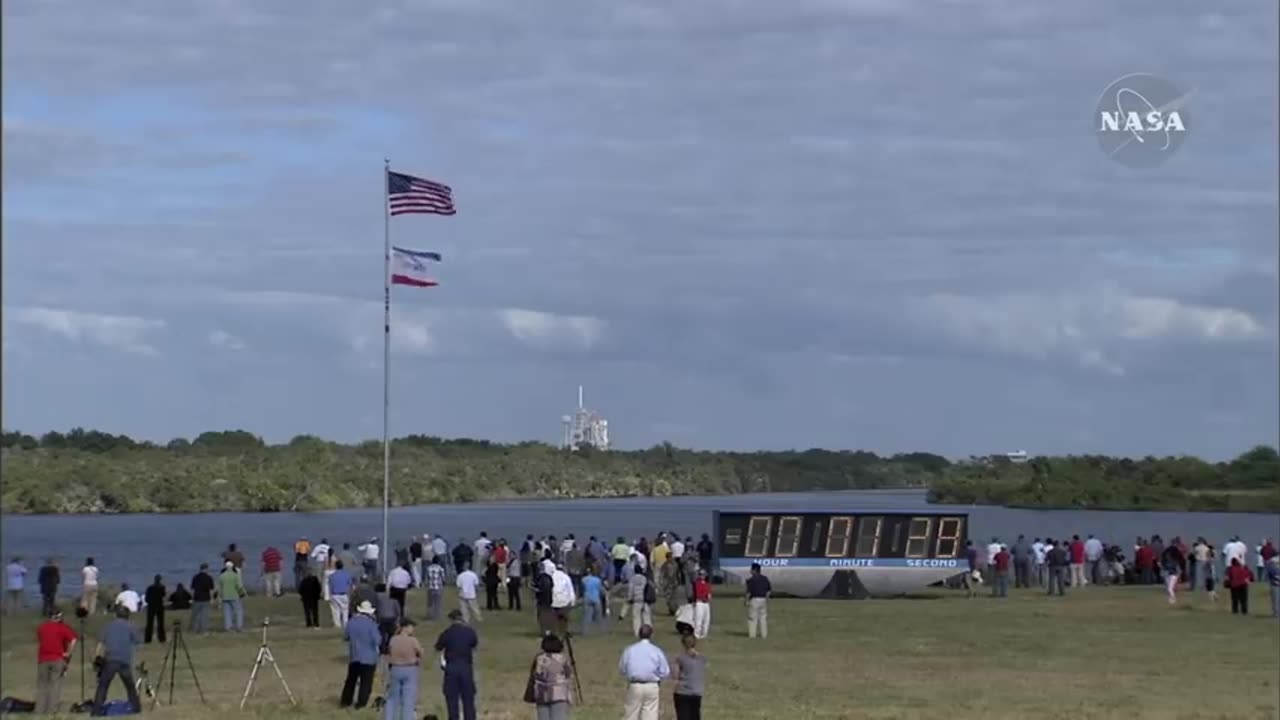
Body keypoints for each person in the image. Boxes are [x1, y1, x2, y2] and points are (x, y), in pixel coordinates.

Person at [91, 606, 142, 716]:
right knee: (130, 686)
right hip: (124, 660)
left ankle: (96, 710)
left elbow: (100, 643)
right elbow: (137, 641)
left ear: (116, 614)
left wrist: (96, 657)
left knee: (103, 685)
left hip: (110, 659)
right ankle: (136, 707)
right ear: (127, 615)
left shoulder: (108, 626)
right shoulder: (130, 626)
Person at [618, 624, 669, 720]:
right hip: (652, 685)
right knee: (650, 714)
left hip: (635, 685)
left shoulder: (630, 650)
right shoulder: (656, 651)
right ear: (651, 635)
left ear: (639, 634)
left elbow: (622, 669)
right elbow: (665, 671)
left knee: (631, 713)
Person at [435, 608, 479, 720]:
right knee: (468, 698)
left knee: (452, 699)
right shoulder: (469, 631)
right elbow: (474, 644)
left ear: (451, 619)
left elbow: (438, 647)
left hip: (451, 667)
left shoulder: (447, 633)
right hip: (466, 667)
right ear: (461, 618)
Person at [35, 606, 77, 714]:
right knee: (55, 685)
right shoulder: (62, 627)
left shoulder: (42, 628)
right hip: (57, 659)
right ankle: (51, 710)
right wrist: (68, 653)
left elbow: (41, 639)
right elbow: (73, 639)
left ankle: (39, 709)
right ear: (58, 617)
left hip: (43, 659)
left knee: (42, 685)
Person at [340, 600, 381, 709]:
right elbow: (378, 640)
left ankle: (346, 701)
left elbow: (345, 637)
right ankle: (361, 703)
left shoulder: (351, 622)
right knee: (366, 682)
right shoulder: (372, 624)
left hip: (355, 656)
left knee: (351, 680)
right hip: (369, 658)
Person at [526, 632, 575, 720]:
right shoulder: (562, 659)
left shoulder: (539, 658)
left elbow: (534, 675)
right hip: (558, 694)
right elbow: (569, 675)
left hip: (541, 694)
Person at [385, 619, 423, 720]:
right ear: (405, 627)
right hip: (410, 668)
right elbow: (420, 652)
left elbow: (389, 652)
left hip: (396, 668)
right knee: (408, 699)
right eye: (411, 627)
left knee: (393, 698)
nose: (412, 629)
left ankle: (389, 717)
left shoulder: (393, 639)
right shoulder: (412, 640)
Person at [671, 633, 707, 720]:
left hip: (683, 692)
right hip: (697, 691)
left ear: (683, 644)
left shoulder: (680, 658)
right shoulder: (702, 658)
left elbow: (675, 675)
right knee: (695, 715)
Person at [217, 560, 246, 631]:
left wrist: (219, 596)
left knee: (227, 612)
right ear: (232, 566)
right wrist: (243, 593)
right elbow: (239, 586)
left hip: (225, 596)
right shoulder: (235, 575)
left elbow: (219, 588)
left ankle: (228, 627)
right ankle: (239, 626)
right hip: (234, 596)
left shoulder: (222, 576)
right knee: (238, 611)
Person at [550, 562, 577, 635]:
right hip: (564, 602)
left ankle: (554, 632)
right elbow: (570, 590)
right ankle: (563, 632)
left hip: (553, 601)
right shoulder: (566, 577)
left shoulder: (551, 576)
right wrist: (572, 602)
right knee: (563, 620)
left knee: (554, 620)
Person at [189, 564, 214, 634]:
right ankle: (203, 630)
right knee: (204, 615)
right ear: (206, 569)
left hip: (197, 598)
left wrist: (192, 598)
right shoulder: (209, 578)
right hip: (206, 598)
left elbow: (192, 589)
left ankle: (194, 629)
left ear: (200, 569)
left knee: (195, 615)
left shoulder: (195, 577)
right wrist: (212, 599)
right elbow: (211, 590)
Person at [328, 560, 354, 629]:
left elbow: (330, 586)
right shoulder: (347, 575)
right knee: (345, 610)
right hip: (344, 594)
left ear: (335, 566)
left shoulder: (332, 576)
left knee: (335, 611)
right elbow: (350, 585)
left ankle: (337, 625)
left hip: (335, 594)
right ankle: (345, 624)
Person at [143, 574, 167, 644]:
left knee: (149, 623)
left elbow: (146, 599)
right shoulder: (162, 587)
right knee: (161, 623)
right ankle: (162, 638)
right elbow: (163, 595)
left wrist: (150, 602)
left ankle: (148, 639)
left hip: (151, 606)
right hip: (159, 606)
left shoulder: (150, 588)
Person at [581, 568, 605, 635]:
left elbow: (582, 588)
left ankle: (585, 631)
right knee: (598, 615)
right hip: (595, 598)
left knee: (586, 615)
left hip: (587, 597)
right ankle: (601, 630)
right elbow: (600, 590)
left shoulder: (583, 579)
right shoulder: (597, 580)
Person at [691, 569, 712, 639]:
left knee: (707, 619)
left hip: (706, 603)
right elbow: (696, 593)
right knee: (698, 619)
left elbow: (708, 592)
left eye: (703, 575)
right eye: (700, 574)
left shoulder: (707, 584)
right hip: (699, 602)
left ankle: (704, 634)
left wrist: (709, 595)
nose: (702, 576)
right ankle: (697, 634)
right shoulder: (697, 583)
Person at [425, 557, 446, 621]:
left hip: (430, 587)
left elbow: (427, 578)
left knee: (430, 603)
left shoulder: (428, 568)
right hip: (438, 588)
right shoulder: (440, 569)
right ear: (438, 561)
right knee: (438, 603)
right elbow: (443, 579)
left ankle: (429, 616)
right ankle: (436, 617)